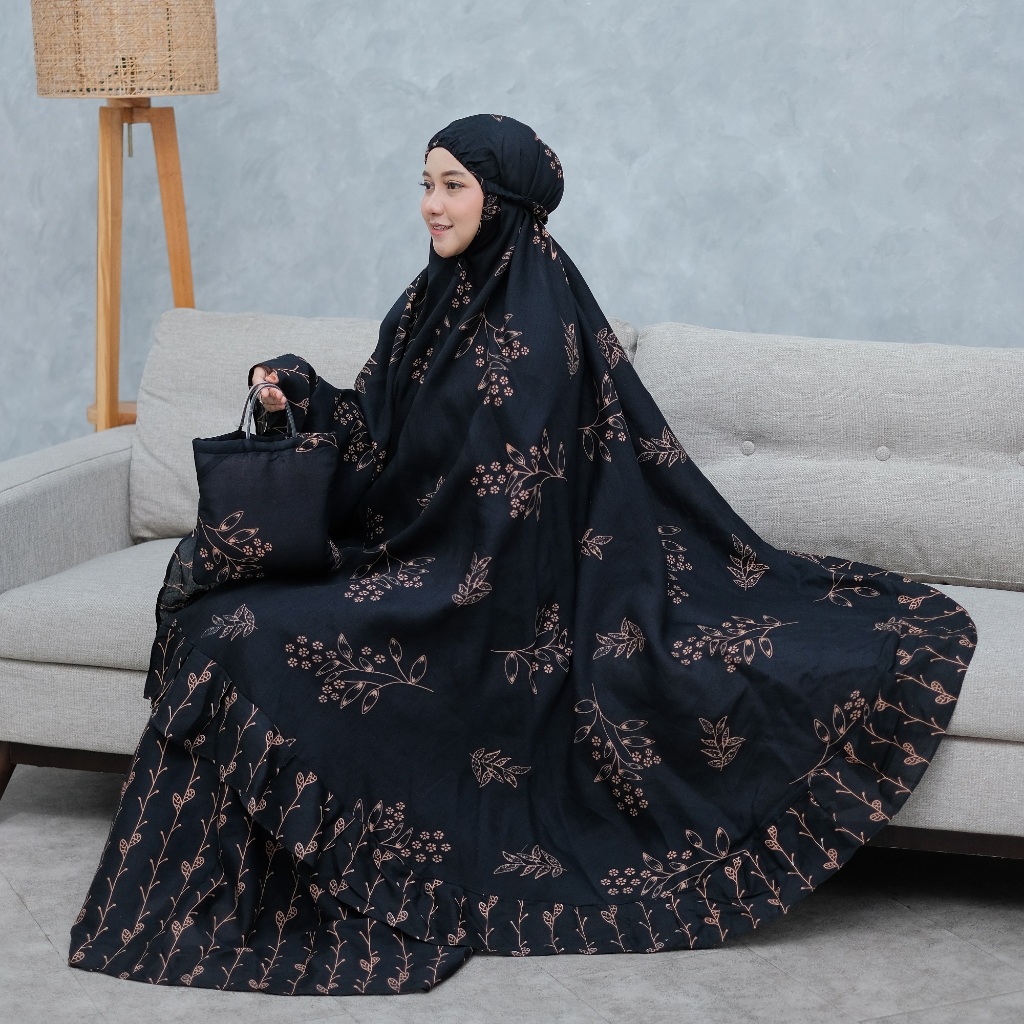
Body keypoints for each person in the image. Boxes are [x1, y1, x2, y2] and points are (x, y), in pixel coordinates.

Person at [69, 114, 976, 996]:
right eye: (426, 184)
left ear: (500, 201)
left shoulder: (540, 324)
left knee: (247, 635)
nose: (431, 205)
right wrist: (297, 395)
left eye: (453, 186)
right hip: (412, 556)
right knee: (223, 621)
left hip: (489, 594)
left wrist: (410, 576)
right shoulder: (427, 300)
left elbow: (516, 510)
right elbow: (376, 432)